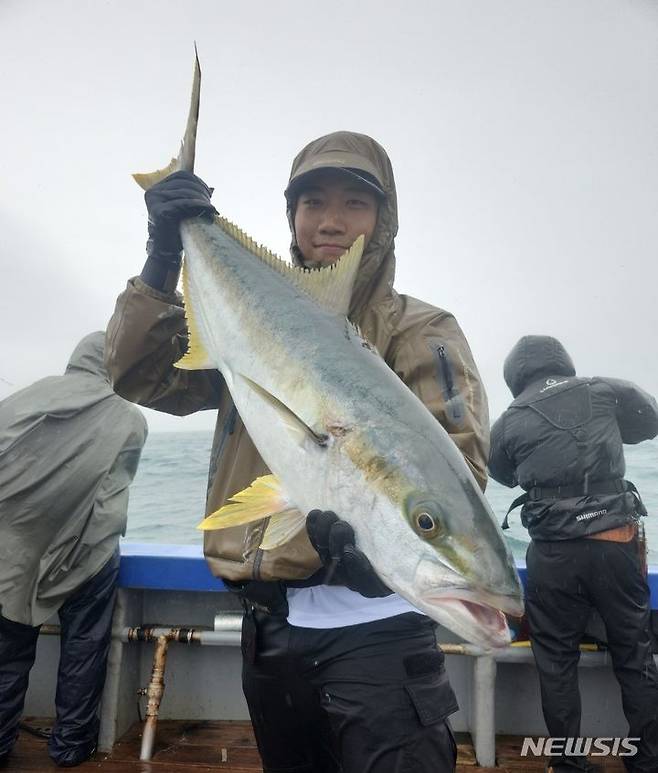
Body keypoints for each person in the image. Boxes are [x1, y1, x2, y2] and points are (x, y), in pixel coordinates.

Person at [105, 130, 490, 772]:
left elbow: (459, 467)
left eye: (355, 205)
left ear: (384, 222)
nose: (331, 221)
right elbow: (138, 373)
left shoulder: (422, 330)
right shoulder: (244, 322)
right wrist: (162, 256)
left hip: (377, 639)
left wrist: (377, 552)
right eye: (312, 203)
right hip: (270, 635)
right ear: (293, 217)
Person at [489, 335, 658, 773]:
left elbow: (502, 476)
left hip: (552, 557)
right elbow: (650, 420)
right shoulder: (603, 389)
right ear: (562, 363)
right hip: (614, 545)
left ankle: (570, 764)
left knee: (556, 661)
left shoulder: (508, 420)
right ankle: (647, 760)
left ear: (514, 378)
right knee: (634, 655)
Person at [0, 332, 147, 768]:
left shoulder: (23, 399)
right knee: (84, 648)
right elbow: (117, 484)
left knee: (6, 653)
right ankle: (70, 746)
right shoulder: (129, 418)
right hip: (88, 555)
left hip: (13, 553)